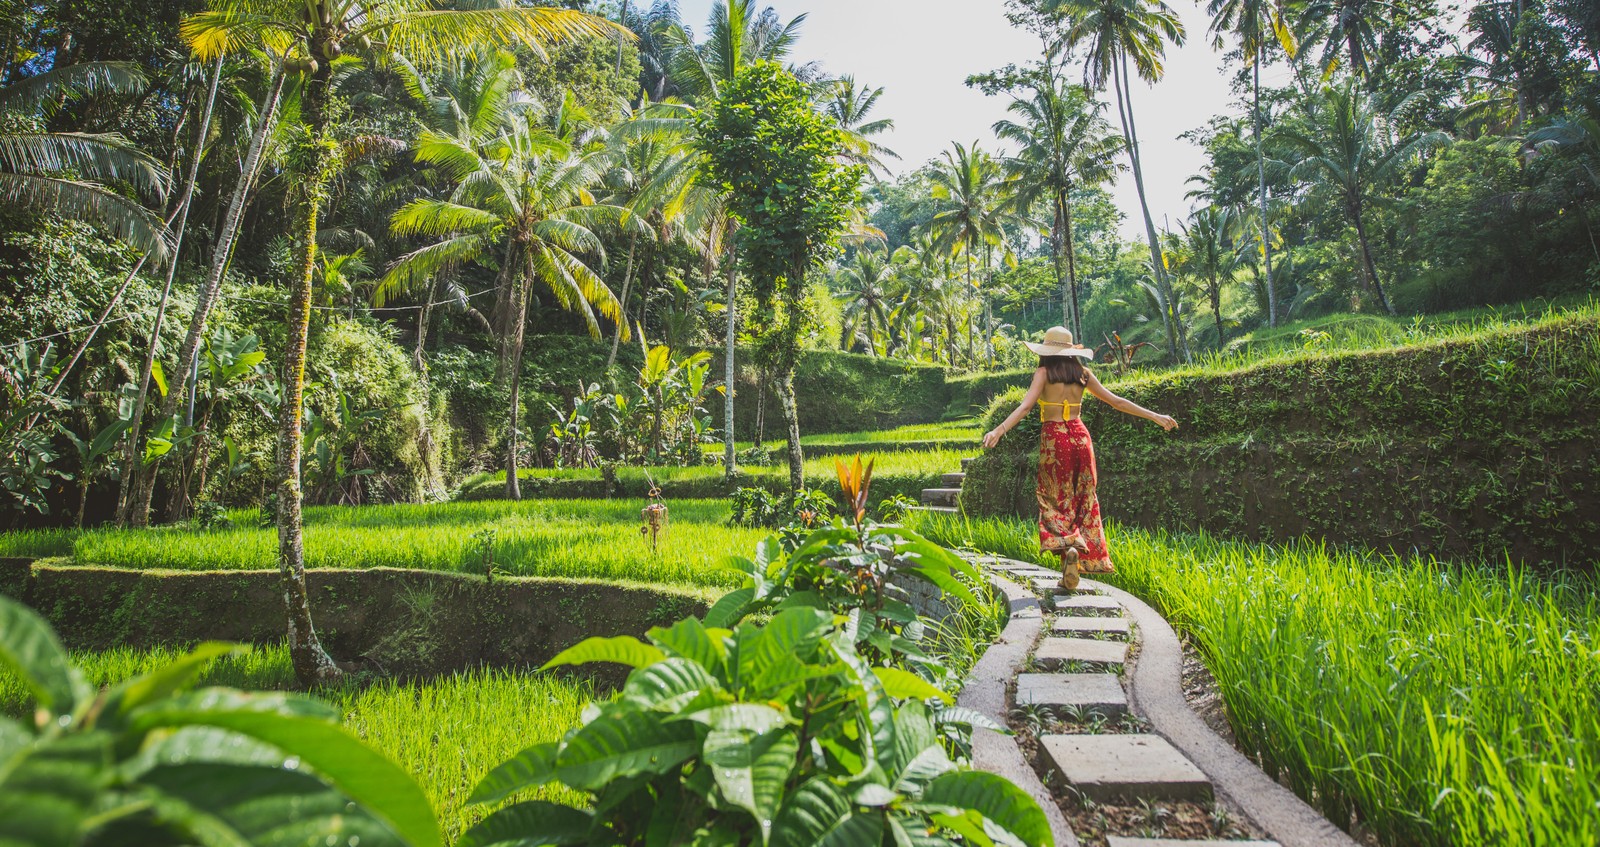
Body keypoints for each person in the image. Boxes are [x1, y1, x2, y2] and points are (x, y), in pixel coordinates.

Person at [981, 326, 1177, 589]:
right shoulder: (1083, 374)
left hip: (1055, 440)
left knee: (1054, 498)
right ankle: (1070, 569)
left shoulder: (1043, 373)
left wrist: (999, 430)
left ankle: (1069, 546)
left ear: (1046, 351)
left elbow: (1025, 407)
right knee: (1083, 498)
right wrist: (1156, 416)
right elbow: (1117, 401)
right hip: (1081, 438)